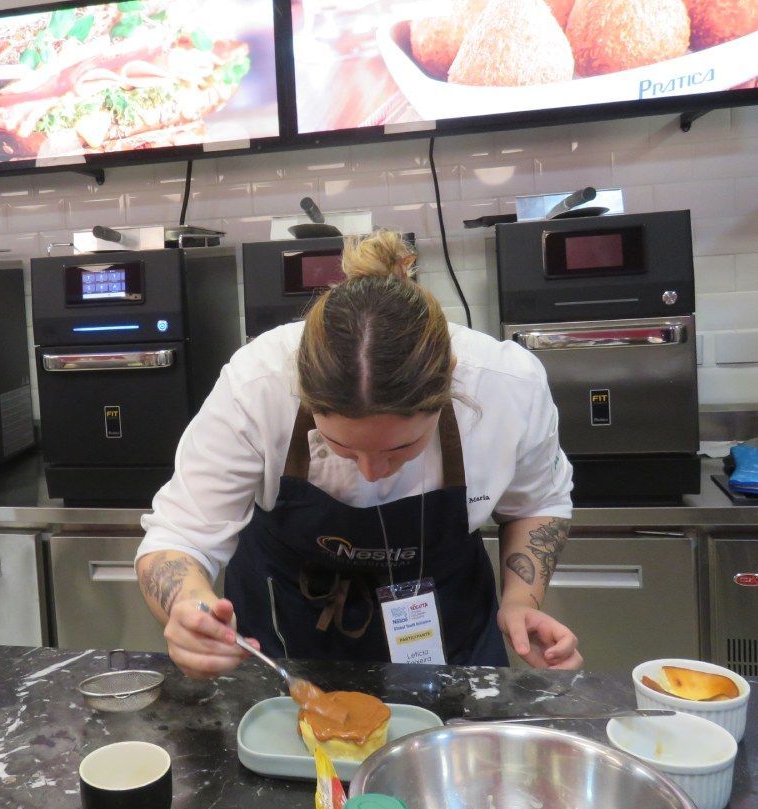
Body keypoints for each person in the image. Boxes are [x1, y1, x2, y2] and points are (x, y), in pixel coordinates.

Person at [135, 230, 582, 679]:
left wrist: (521, 600)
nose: (372, 473)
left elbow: (537, 502)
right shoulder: (259, 384)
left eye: (403, 447)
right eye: (343, 447)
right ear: (303, 391)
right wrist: (188, 610)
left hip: (448, 634)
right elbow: (181, 537)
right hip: (283, 635)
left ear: (451, 381)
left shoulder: (508, 385)